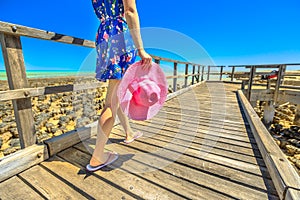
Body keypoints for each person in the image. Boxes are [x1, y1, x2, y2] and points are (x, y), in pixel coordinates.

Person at [87, 0, 152, 171]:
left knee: (117, 93)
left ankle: (128, 133)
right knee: (111, 102)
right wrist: (141, 49)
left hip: (104, 35)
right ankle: (97, 157)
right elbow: (130, 11)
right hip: (119, 35)